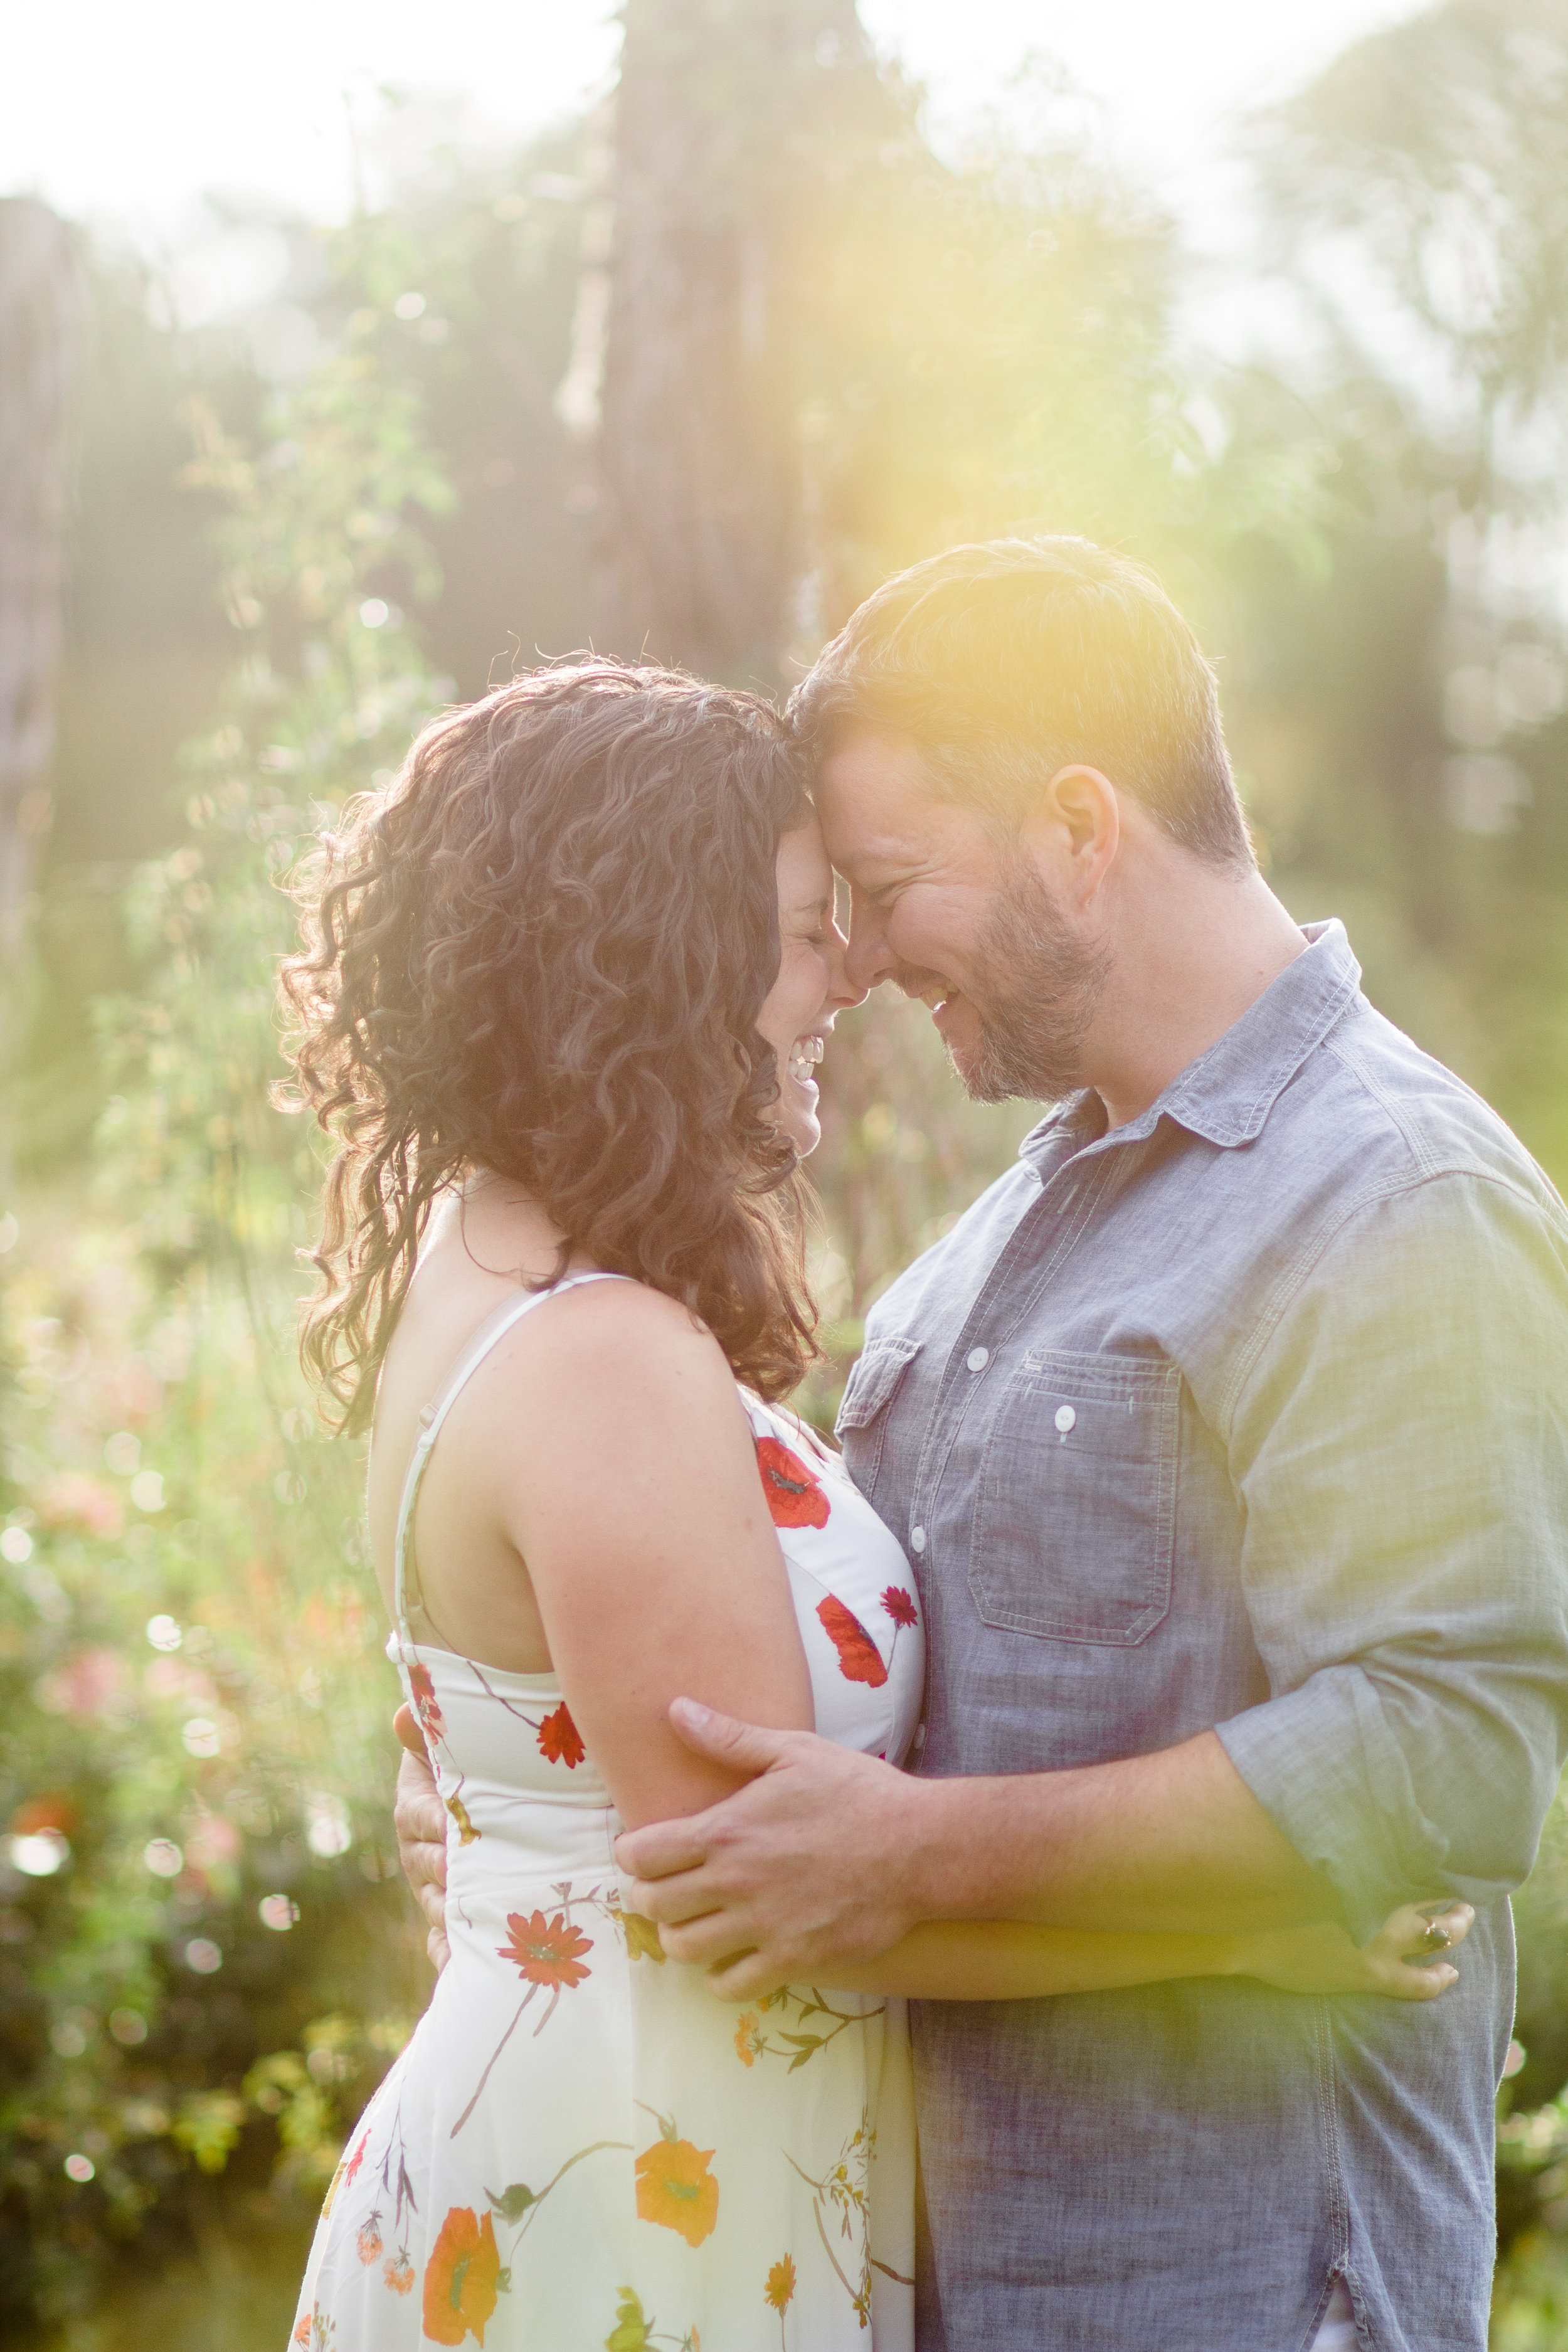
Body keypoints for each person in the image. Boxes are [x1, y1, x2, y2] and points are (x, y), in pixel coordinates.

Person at [373, 649, 1476, 2352]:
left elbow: (1445, 1742)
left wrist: (551, 1834)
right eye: (817, 922)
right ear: (669, 957)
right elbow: (766, 1891)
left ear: (1078, 832)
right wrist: (1252, 1948)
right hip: (659, 2199)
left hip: (1187, 2257)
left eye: (871, 900)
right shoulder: (638, 1334)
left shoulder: (1384, 1193)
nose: (855, 971)